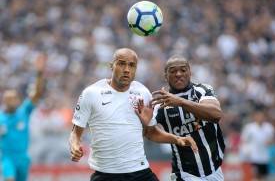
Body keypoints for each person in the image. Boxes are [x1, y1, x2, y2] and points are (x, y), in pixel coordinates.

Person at [69, 48, 198, 181]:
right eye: (121, 64)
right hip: (106, 174)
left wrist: (177, 139)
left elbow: (151, 132)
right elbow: (75, 134)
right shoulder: (91, 93)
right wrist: (74, 146)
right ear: (111, 66)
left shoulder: (143, 92)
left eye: (132, 65)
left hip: (140, 172)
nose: (126, 69)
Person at [142, 55, 226, 181]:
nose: (178, 74)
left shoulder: (202, 90)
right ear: (165, 76)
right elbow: (150, 133)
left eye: (183, 70)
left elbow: (216, 115)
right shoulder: (160, 103)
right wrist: (176, 138)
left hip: (215, 169)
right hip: (185, 173)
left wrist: (181, 102)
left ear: (190, 73)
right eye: (173, 71)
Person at [0, 53, 46, 181]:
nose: (11, 101)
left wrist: (40, 73)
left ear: (17, 100)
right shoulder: (1, 118)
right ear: (4, 101)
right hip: (7, 158)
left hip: (23, 158)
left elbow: (35, 94)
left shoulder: (24, 112)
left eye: (13, 98)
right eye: (8, 99)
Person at [240, 110, 275, 181]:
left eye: (261, 117)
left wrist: (270, 142)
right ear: (255, 117)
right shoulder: (250, 128)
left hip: (265, 155)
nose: (260, 118)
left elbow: (273, 139)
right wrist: (247, 149)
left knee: (263, 175)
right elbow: (244, 140)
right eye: (258, 116)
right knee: (255, 174)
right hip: (254, 155)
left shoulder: (269, 127)